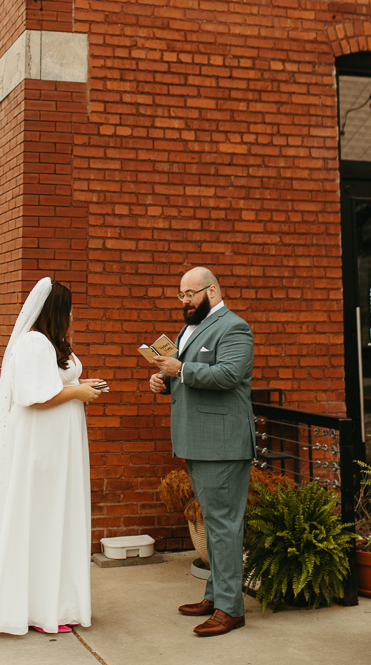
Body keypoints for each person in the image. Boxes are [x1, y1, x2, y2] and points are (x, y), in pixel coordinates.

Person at [0, 278, 103, 635]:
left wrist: (80, 387)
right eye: (70, 308)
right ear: (56, 310)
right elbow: (35, 396)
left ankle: (56, 602)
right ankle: (33, 608)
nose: (74, 314)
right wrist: (77, 392)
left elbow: (56, 385)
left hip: (61, 443)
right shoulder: (33, 343)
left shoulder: (56, 344)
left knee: (57, 518)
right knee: (39, 519)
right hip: (40, 444)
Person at [149, 266, 255, 638]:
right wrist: (164, 381)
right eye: (180, 295)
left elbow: (229, 375)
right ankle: (216, 595)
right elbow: (188, 376)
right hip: (198, 440)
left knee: (224, 526)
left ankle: (231, 609)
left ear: (211, 291)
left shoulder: (235, 327)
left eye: (190, 294)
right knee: (213, 523)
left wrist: (181, 369)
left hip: (223, 444)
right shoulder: (190, 328)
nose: (184, 301)